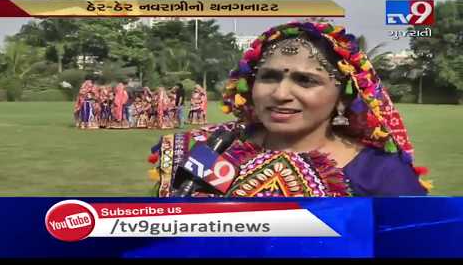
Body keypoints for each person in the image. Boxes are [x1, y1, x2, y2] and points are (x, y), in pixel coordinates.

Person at [148, 21, 432, 197]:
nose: (280, 94)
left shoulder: (382, 175)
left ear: (343, 98)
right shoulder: (210, 148)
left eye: (306, 80)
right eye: (269, 77)